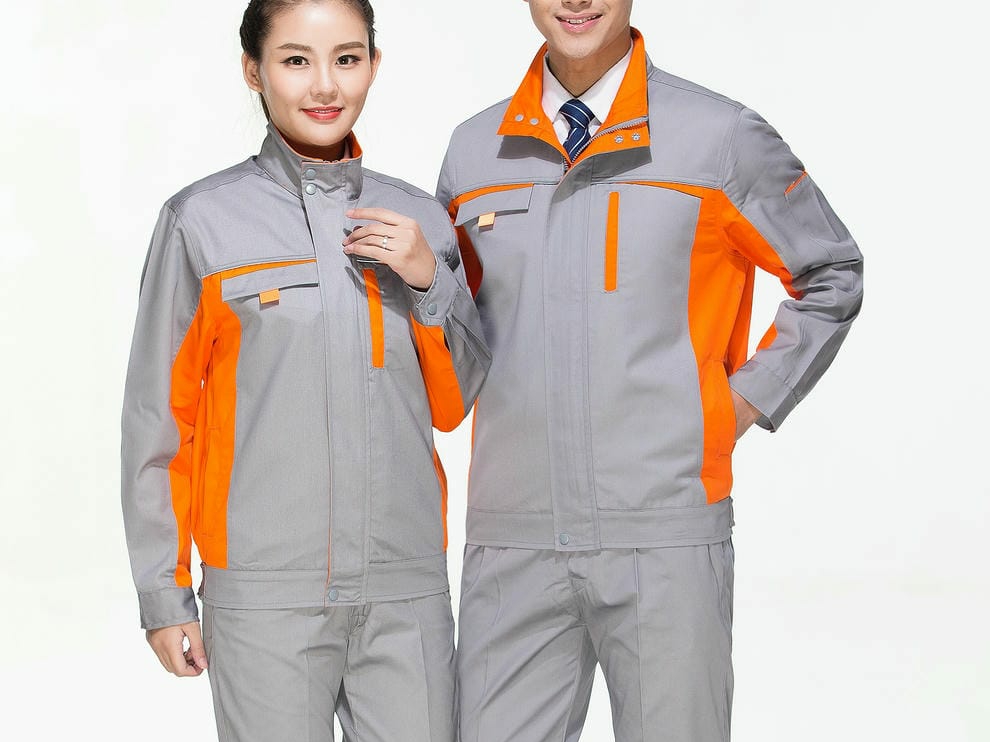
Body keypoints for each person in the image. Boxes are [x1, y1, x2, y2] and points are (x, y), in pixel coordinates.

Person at [436, 1, 863, 740]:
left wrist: (737, 405)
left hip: (665, 532)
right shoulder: (474, 152)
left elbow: (830, 272)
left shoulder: (718, 138)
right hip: (512, 538)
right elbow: (455, 338)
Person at [120, 1, 489, 740]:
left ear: (374, 67)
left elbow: (458, 400)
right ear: (254, 70)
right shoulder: (202, 222)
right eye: (296, 60)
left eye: (347, 59)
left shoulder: (419, 218)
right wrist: (165, 592)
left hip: (404, 588)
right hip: (264, 597)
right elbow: (159, 422)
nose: (325, 84)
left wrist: (428, 280)